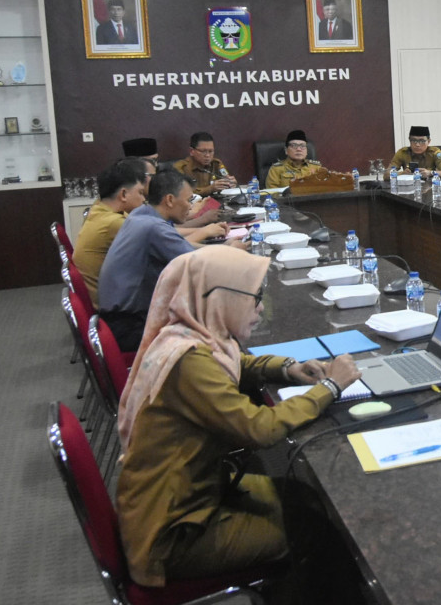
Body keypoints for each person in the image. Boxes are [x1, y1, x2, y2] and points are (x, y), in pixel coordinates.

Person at [115, 246, 362, 600]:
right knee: (318, 528)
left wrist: (286, 367)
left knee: (307, 496)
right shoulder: (189, 363)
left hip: (187, 495)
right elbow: (259, 429)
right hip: (175, 533)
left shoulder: (188, 335)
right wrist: (330, 387)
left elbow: (234, 365)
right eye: (254, 297)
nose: (260, 307)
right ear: (220, 298)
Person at [98, 170, 234, 351]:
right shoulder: (153, 228)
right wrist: (232, 253)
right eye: (188, 200)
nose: (190, 206)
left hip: (114, 318)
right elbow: (198, 263)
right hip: (129, 326)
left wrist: (223, 249)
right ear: (169, 200)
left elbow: (182, 247)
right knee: (217, 331)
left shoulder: (140, 214)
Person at [73, 158, 149, 307]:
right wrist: (204, 233)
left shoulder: (101, 208)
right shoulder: (113, 223)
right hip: (114, 308)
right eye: (140, 192)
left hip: (108, 296)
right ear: (123, 194)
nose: (143, 198)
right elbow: (161, 242)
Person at [172, 132, 237, 196]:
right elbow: (180, 192)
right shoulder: (180, 167)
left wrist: (231, 183)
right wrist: (210, 189)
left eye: (211, 151)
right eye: (203, 151)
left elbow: (226, 178)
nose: (207, 155)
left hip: (215, 203)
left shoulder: (217, 164)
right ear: (191, 151)